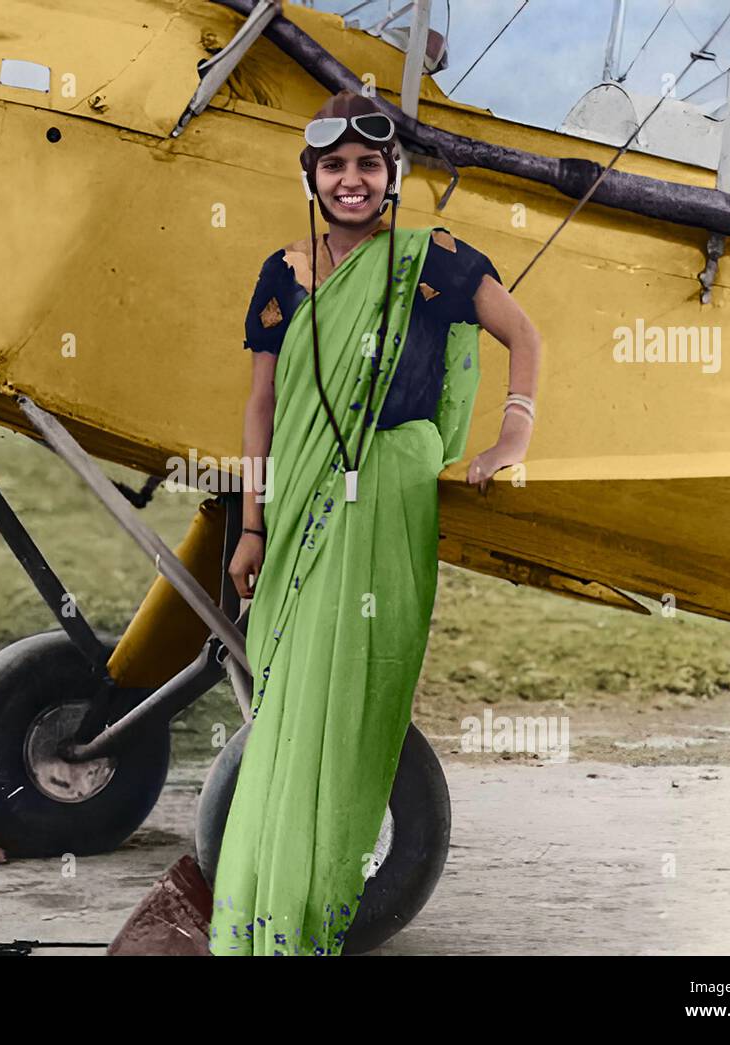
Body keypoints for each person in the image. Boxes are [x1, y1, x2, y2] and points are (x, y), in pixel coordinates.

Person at [208, 89, 542, 956]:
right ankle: (266, 909)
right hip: (300, 515)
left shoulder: (431, 261)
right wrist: (251, 528)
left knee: (354, 698)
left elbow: (526, 337)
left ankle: (318, 906)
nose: (351, 180)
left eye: (368, 165)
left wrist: (513, 432)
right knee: (287, 704)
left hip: (385, 501)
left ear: (391, 176)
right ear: (311, 176)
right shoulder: (281, 274)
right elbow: (262, 407)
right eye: (334, 166)